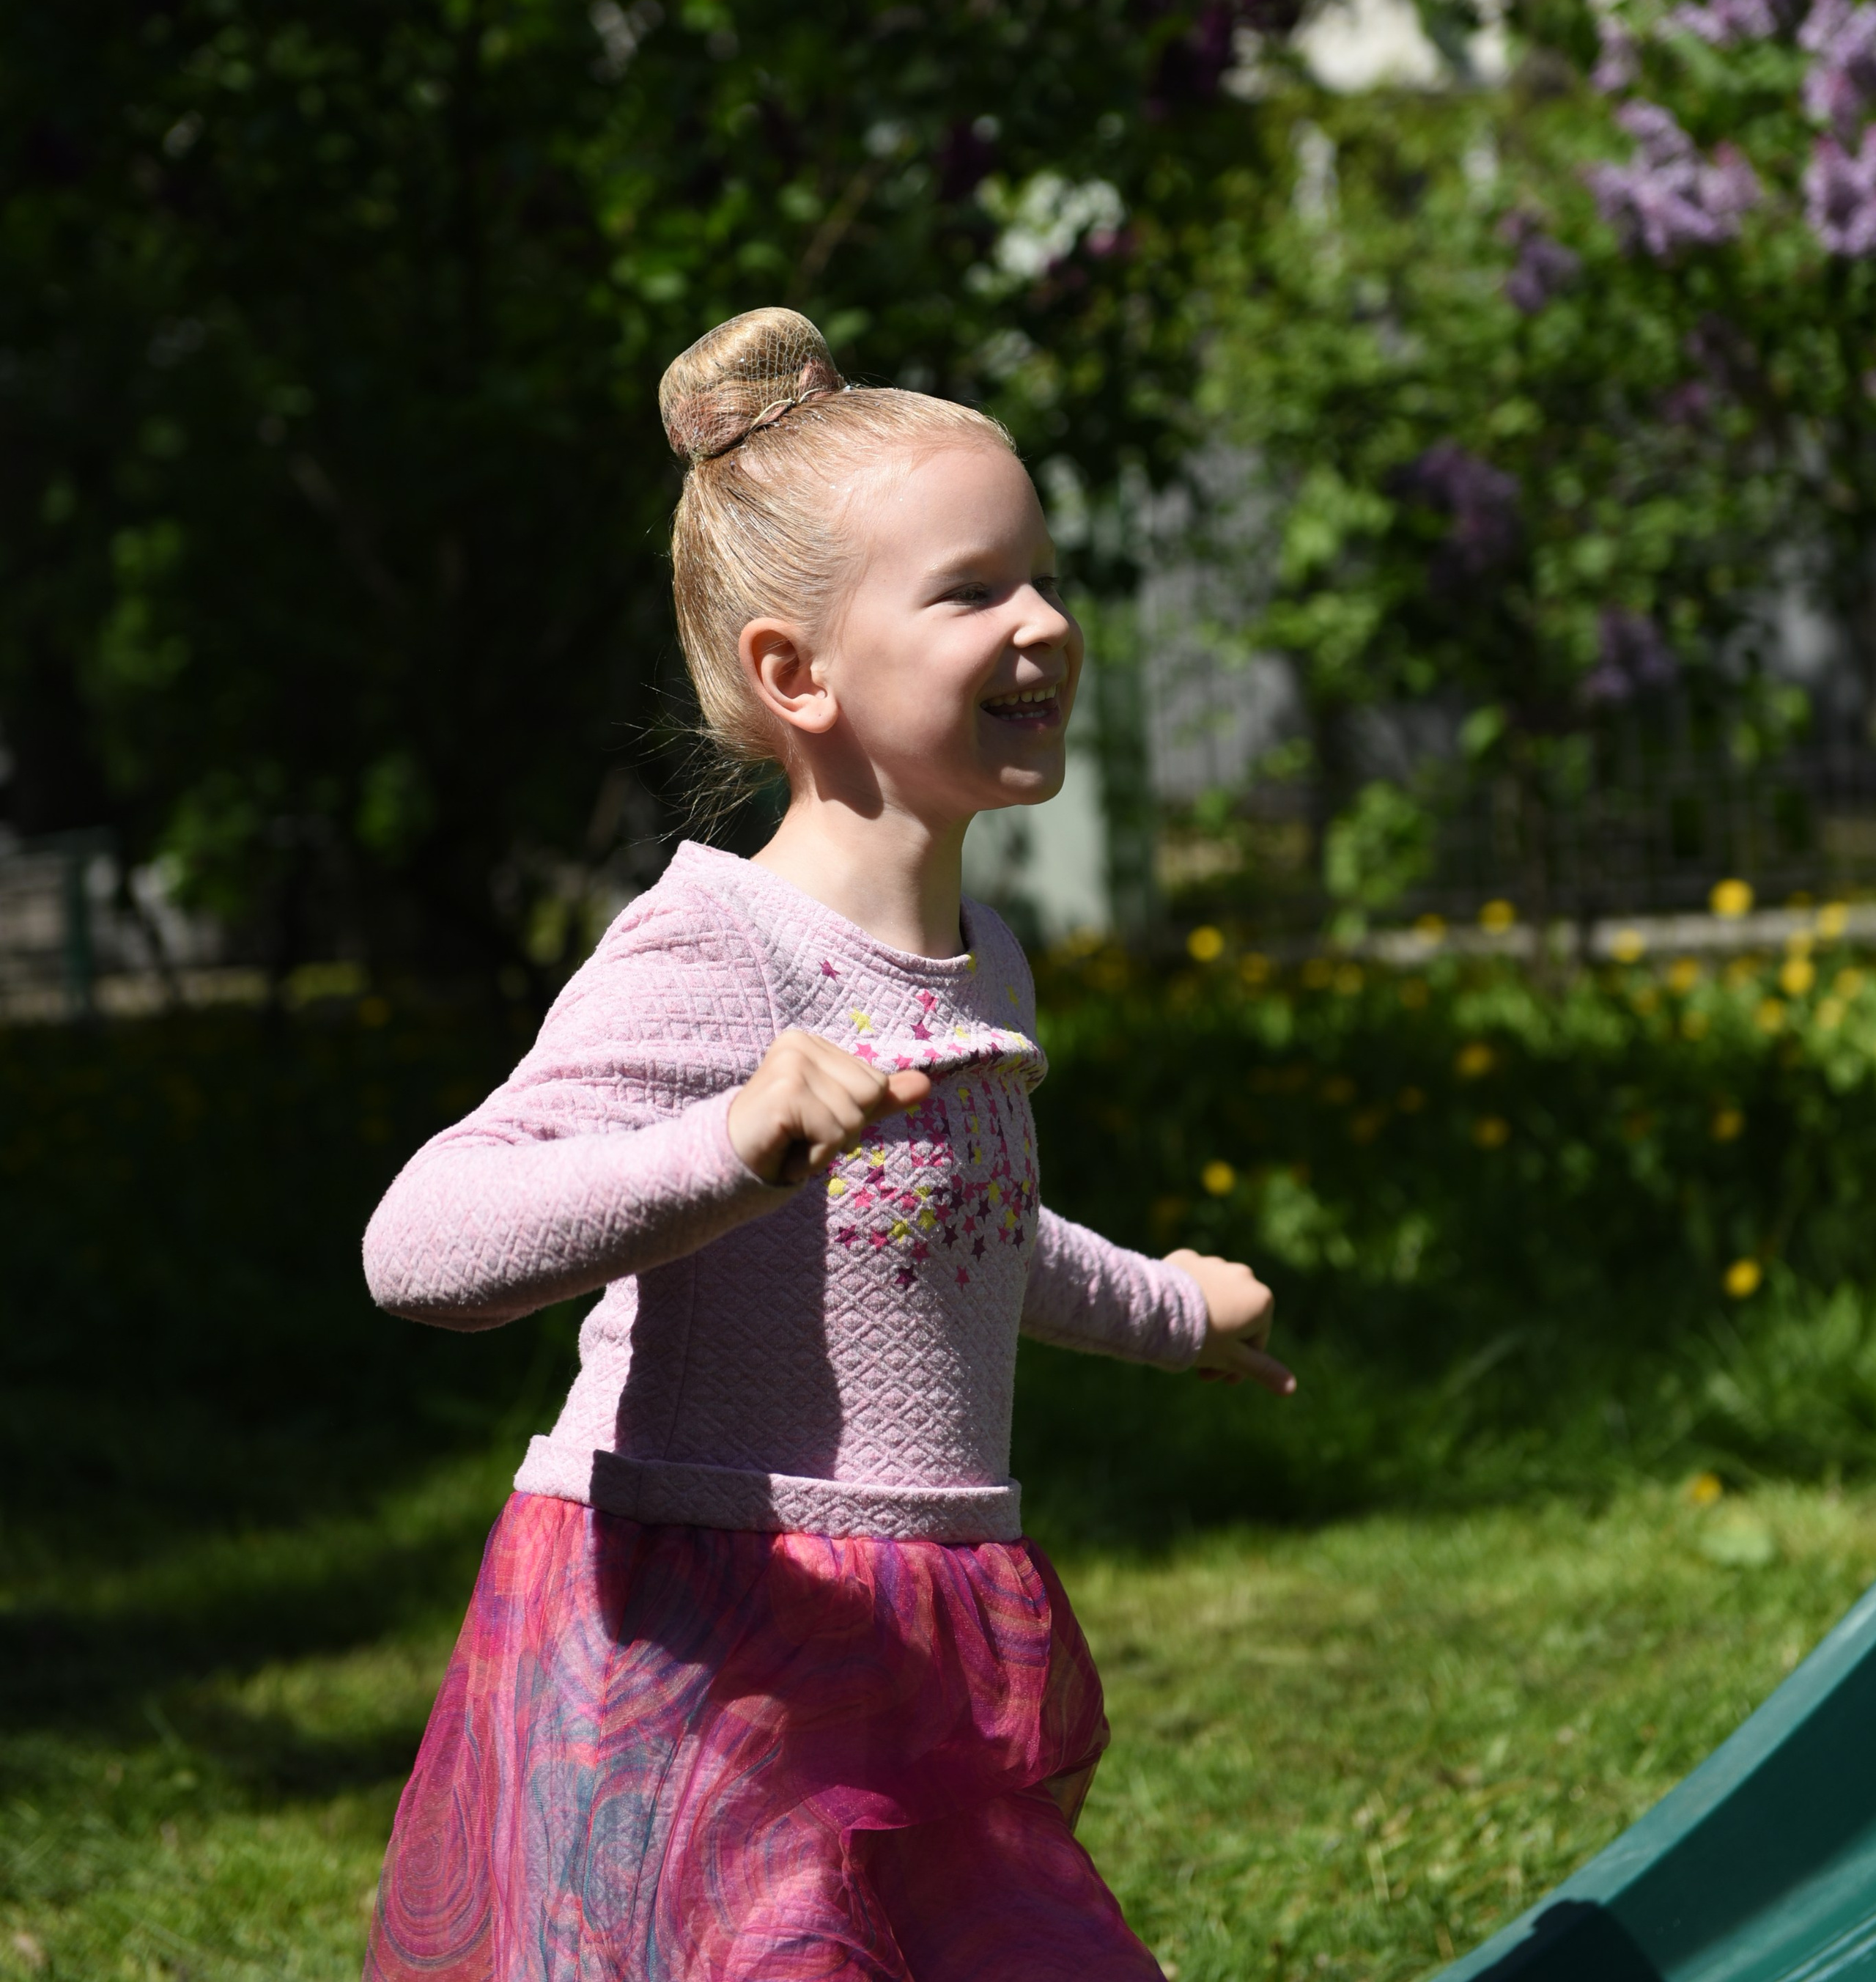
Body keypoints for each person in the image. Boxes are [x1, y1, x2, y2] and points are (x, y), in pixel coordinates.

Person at [361, 305, 1294, 1982]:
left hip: (922, 1631)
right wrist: (733, 1141)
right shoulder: (719, 950)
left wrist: (1171, 1309)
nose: (1045, 624)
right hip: (710, 1645)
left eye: (1041, 574)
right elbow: (419, 1244)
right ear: (799, 674)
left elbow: (969, 1228)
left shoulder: (982, 954)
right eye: (970, 591)